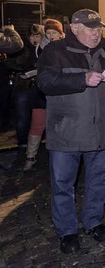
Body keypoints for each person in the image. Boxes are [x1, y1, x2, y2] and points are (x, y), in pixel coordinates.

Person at [36, 9, 105, 253]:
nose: (96, 33)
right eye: (89, 28)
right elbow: (44, 83)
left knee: (98, 179)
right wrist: (81, 80)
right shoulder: (55, 51)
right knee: (63, 184)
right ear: (74, 29)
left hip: (102, 130)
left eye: (98, 28)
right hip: (67, 131)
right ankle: (67, 231)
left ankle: (94, 221)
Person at [23, 22, 62, 171]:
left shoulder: (65, 48)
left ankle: (58, 156)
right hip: (41, 92)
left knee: (58, 126)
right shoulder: (39, 48)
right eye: (49, 33)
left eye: (54, 33)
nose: (51, 36)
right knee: (37, 123)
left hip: (59, 92)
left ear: (61, 34)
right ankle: (30, 157)